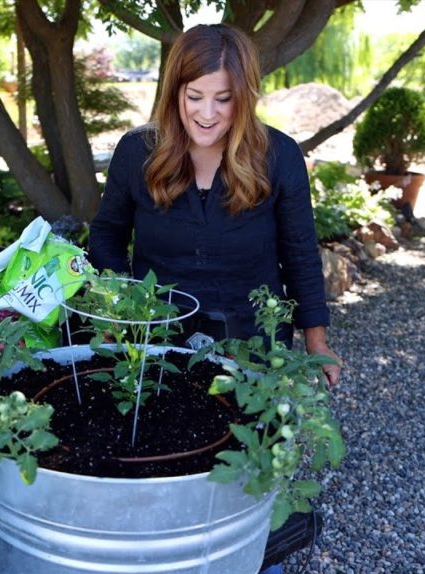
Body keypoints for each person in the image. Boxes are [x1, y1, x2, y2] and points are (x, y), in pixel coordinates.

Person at [88, 23, 342, 387]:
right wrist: (117, 312)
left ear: (244, 95)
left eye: (223, 99)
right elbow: (106, 235)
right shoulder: (136, 151)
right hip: (158, 341)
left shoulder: (280, 156)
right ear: (175, 91)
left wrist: (317, 342)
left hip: (254, 344)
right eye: (194, 96)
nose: (207, 114)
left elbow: (300, 253)